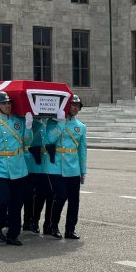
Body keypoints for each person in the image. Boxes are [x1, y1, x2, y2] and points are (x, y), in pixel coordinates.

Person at [0, 91, 32, 245]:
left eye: (9, 102)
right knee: (3, 199)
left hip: (19, 167)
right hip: (1, 168)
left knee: (17, 203)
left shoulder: (19, 121)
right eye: (4, 103)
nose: (7, 105)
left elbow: (27, 141)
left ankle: (13, 234)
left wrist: (29, 126)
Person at [44, 95, 87, 239]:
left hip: (73, 167)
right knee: (61, 196)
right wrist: (61, 124)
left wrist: (83, 170)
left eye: (78, 106)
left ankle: (70, 229)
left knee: (74, 200)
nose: (75, 108)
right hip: (56, 166)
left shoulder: (80, 126)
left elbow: (82, 151)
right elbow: (50, 139)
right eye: (73, 105)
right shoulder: (53, 122)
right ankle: (53, 225)